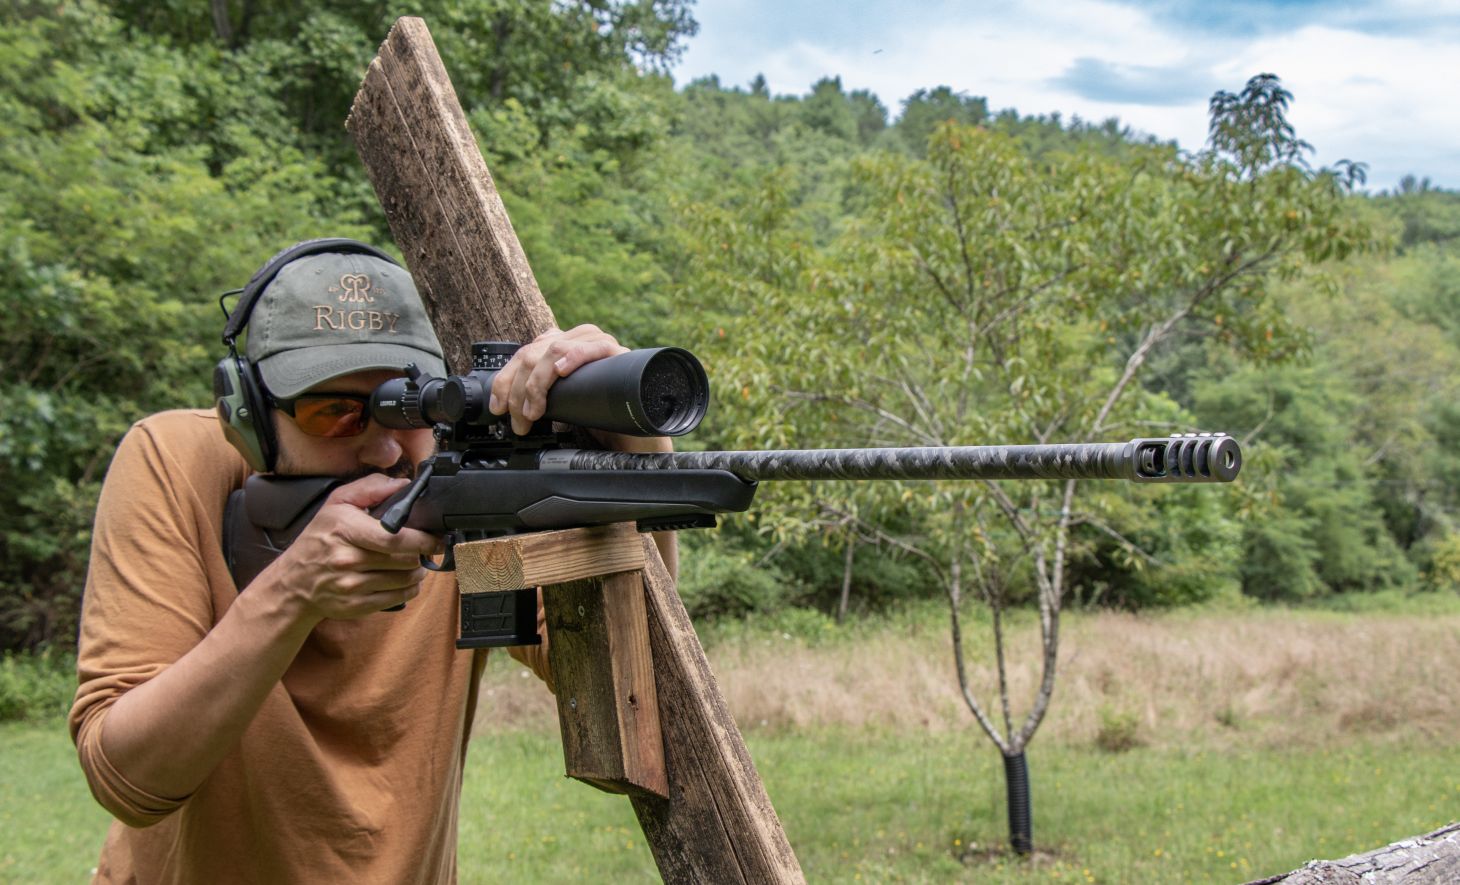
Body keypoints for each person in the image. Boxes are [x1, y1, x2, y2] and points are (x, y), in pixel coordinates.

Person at [69, 240, 674, 883]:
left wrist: (638, 445)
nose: (385, 450)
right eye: (335, 411)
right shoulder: (174, 462)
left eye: (409, 406)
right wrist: (292, 594)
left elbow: (629, 679)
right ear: (250, 416)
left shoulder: (460, 491)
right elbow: (127, 778)